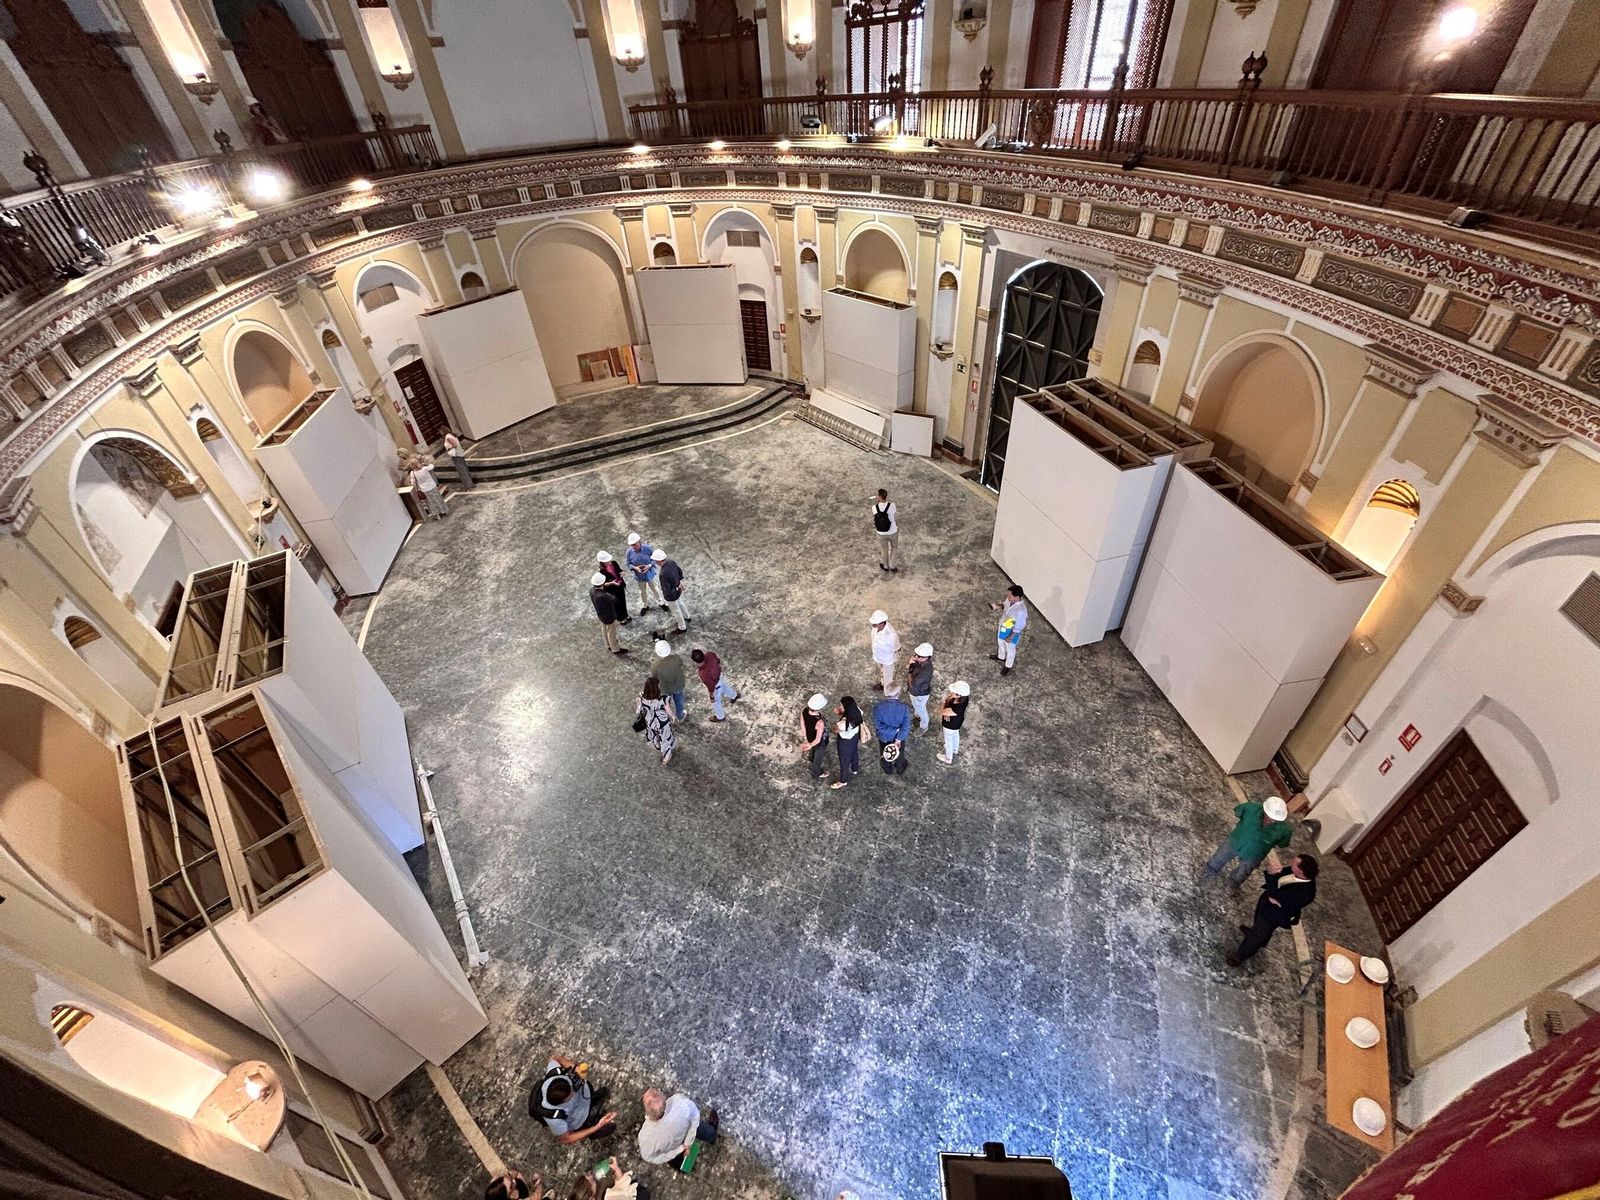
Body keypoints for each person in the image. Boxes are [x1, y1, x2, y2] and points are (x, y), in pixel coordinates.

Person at [1227, 852, 1319, 968]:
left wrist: (1272, 877)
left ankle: (1240, 956)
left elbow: (1277, 894)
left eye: (1294, 864)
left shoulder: (1307, 893)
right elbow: (1276, 886)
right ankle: (1257, 935)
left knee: (1259, 933)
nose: (1291, 863)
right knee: (1258, 924)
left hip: (1274, 914)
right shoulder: (1293, 870)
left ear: (1301, 872)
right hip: (1268, 902)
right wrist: (1274, 890)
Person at [1204, 796, 1294, 889]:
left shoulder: (1284, 831)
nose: (1272, 821)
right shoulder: (1250, 808)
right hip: (1235, 841)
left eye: (1275, 819)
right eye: (1270, 817)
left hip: (1254, 855)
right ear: (1264, 810)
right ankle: (1211, 869)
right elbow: (1238, 811)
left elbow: (1282, 844)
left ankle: (1233, 884)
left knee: (1242, 873)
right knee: (1220, 856)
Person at [529, 1057, 616, 1144]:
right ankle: (593, 1131)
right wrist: (598, 1126)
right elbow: (566, 1139)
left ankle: (594, 1101)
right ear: (562, 1102)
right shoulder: (555, 1118)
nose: (574, 1090)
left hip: (585, 1095)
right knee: (609, 1127)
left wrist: (575, 1067)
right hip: (581, 1119)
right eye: (571, 1095)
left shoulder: (554, 1074)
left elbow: (555, 1058)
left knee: (599, 1095)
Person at [637, 1087, 719, 1168]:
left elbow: (648, 1157)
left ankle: (686, 1167)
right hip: (687, 1129)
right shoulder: (679, 1101)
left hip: (673, 1149)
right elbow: (695, 1115)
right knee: (704, 1130)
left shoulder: (645, 1137)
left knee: (678, 1161)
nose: (651, 1095)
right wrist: (688, 1142)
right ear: (663, 1096)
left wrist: (679, 1149)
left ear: (647, 1112)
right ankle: (712, 1137)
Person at [636, 676, 676, 766]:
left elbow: (638, 709)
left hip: (650, 721)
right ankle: (666, 756)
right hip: (662, 723)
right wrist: (673, 716)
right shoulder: (662, 698)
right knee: (666, 738)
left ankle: (657, 745)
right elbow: (668, 710)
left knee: (654, 734)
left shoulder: (641, 696)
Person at [691, 647, 738, 721]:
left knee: (716, 702)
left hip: (716, 685)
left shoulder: (703, 673)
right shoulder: (710, 654)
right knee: (726, 687)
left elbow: (711, 686)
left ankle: (720, 717)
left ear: (696, 662)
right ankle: (734, 696)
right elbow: (718, 661)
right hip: (720, 676)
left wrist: (712, 697)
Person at [990, 584, 1027, 675]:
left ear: (1017, 597)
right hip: (1005, 625)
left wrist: (1011, 636)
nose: (1008, 597)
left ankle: (1008, 666)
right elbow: (1005, 605)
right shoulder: (1010, 600)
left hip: (1012, 630)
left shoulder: (1021, 611)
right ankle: (1001, 657)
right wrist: (999, 606)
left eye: (1010, 596)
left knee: (1010, 648)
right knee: (1000, 641)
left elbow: (1019, 626)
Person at [626, 532, 666, 616]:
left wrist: (649, 566)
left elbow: (654, 559)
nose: (633, 546)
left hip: (649, 573)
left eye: (635, 544)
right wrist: (635, 568)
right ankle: (645, 605)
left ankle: (661, 602)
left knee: (654, 588)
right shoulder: (629, 552)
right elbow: (628, 564)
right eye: (632, 545)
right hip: (639, 576)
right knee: (642, 591)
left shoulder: (648, 548)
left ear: (639, 541)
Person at [832, 696, 867, 790]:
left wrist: (839, 714)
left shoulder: (844, 723)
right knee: (854, 753)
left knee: (844, 761)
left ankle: (843, 781)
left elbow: (835, 729)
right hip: (855, 737)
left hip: (845, 742)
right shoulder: (857, 711)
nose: (840, 707)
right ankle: (854, 768)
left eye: (841, 706)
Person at [872, 692, 911, 776]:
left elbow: (878, 725)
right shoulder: (904, 708)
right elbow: (905, 727)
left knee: (885, 751)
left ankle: (887, 768)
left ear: (885, 693)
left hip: (884, 736)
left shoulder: (878, 707)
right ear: (898, 694)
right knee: (899, 753)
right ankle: (900, 768)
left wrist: (893, 730)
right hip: (899, 736)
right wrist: (898, 739)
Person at [590, 573, 629, 656]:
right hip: (609, 617)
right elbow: (614, 599)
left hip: (601, 615)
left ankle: (607, 644)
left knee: (604, 630)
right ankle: (615, 649)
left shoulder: (592, 591)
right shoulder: (603, 596)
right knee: (611, 633)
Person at [652, 548, 688, 635]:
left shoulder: (663, 573)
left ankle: (682, 627)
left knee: (676, 610)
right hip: (678, 588)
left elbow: (666, 588)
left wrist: (667, 597)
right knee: (680, 603)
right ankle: (687, 616)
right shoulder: (671, 562)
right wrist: (679, 583)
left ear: (658, 560)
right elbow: (679, 571)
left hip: (672, 594)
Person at [651, 639, 687, 721]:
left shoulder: (655, 665)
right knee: (679, 701)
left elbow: (654, 678)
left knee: (666, 703)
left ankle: (668, 716)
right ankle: (680, 716)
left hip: (665, 689)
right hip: (678, 685)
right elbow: (681, 664)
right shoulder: (676, 658)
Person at [936, 681, 970, 765]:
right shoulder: (964, 698)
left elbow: (942, 712)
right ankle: (955, 749)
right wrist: (950, 697)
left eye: (953, 692)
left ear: (958, 695)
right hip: (957, 723)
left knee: (948, 742)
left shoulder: (956, 708)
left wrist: (943, 702)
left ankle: (948, 758)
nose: (951, 692)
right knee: (955, 735)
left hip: (950, 725)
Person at [869, 610, 901, 696]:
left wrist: (893, 659)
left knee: (888, 679)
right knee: (881, 672)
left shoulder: (891, 635)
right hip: (878, 656)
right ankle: (882, 684)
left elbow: (897, 648)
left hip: (887, 660)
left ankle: (888, 694)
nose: (873, 625)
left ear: (882, 623)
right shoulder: (875, 628)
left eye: (875, 623)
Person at [906, 643, 935, 731]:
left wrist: (910, 669)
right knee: (917, 707)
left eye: (919, 656)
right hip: (915, 691)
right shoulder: (920, 661)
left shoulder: (925, 671)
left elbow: (913, 683)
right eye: (916, 654)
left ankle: (924, 726)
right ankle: (917, 717)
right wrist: (911, 663)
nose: (916, 657)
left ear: (927, 657)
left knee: (921, 710)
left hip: (919, 694)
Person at [596, 551, 631, 625]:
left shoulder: (614, 563)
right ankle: (620, 618)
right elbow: (603, 584)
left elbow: (620, 570)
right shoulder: (602, 572)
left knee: (623, 601)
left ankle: (625, 614)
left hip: (620, 585)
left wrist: (622, 573)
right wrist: (611, 583)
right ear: (602, 562)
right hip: (612, 590)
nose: (609, 561)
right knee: (616, 604)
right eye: (607, 561)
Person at [801, 692, 829, 779]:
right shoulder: (820, 722)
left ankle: (811, 758)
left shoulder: (804, 711)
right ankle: (816, 773)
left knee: (812, 751)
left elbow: (802, 724)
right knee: (818, 759)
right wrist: (810, 745)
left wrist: (806, 739)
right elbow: (818, 739)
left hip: (809, 737)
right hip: (819, 744)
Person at [872, 488, 899, 572]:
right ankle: (893, 566)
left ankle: (885, 566)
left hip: (881, 533)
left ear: (880, 497)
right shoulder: (892, 505)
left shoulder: (874, 507)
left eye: (877, 495)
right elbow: (893, 512)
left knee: (884, 549)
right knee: (894, 547)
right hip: (892, 531)